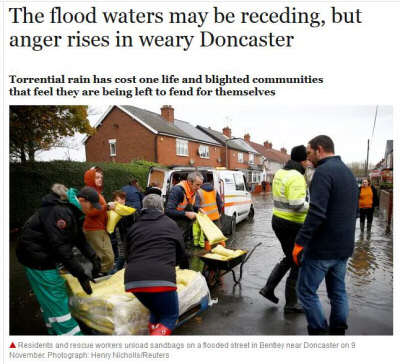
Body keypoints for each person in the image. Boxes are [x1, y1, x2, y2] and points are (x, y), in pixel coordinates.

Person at [292, 135, 358, 335]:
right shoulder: (348, 173)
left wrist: (300, 242)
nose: (308, 155)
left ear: (319, 149)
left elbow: (316, 213)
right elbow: (353, 211)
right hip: (344, 248)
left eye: (309, 151)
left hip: (322, 249)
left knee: (305, 291)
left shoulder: (322, 172)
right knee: (338, 292)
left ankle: (319, 332)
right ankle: (338, 331)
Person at [16, 184, 101, 335]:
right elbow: (61, 248)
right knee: (56, 296)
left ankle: (54, 333)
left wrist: (94, 257)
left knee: (49, 300)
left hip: (38, 256)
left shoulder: (71, 210)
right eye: (91, 206)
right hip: (38, 259)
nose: (92, 209)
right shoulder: (61, 212)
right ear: (82, 200)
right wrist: (80, 274)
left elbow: (79, 238)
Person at [124, 194, 189, 335]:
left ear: (143, 208)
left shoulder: (135, 226)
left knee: (155, 310)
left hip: (133, 281)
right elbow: (181, 252)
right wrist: (181, 265)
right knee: (169, 316)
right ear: (162, 208)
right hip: (162, 278)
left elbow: (128, 255)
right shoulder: (171, 224)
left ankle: (153, 332)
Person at [259, 145, 309, 313]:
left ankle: (268, 289)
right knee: (297, 261)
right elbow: (296, 205)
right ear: (303, 160)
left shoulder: (281, 172)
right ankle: (291, 303)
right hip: (292, 224)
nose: (309, 163)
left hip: (278, 221)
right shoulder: (296, 176)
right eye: (307, 160)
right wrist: (314, 206)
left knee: (290, 257)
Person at [83, 166, 114, 274]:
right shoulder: (87, 192)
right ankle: (97, 276)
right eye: (97, 177)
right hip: (93, 229)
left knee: (109, 257)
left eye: (101, 177)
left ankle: (99, 274)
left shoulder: (97, 193)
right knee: (104, 258)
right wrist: (106, 207)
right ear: (90, 178)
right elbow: (89, 212)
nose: (100, 179)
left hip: (101, 228)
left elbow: (100, 208)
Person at [165, 171, 203, 242]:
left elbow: (190, 205)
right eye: (197, 185)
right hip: (174, 226)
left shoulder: (193, 191)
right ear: (189, 182)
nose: (199, 188)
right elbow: (168, 211)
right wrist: (186, 214)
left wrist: (199, 209)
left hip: (184, 228)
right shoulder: (177, 190)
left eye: (200, 185)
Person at [108, 190, 133, 274]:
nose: (122, 200)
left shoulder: (127, 209)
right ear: (114, 200)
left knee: (124, 255)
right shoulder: (112, 210)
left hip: (126, 236)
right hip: (118, 237)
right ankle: (113, 273)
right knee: (121, 255)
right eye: (120, 199)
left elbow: (131, 223)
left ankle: (118, 271)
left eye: (123, 198)